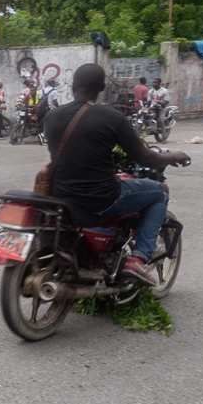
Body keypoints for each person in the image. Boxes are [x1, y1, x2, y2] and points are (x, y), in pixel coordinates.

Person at [45, 64, 190, 285]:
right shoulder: (112, 117)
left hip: (60, 195)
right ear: (101, 87)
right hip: (101, 197)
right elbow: (146, 158)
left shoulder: (52, 116)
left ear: (72, 86)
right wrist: (174, 156)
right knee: (159, 193)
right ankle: (139, 258)